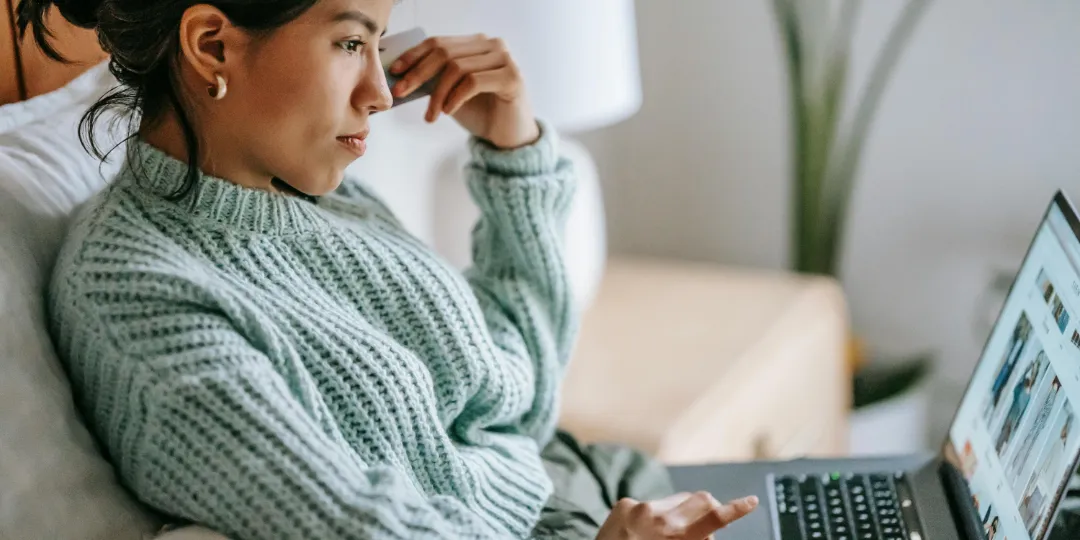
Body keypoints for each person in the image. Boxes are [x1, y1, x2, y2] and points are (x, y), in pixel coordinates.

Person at [20, 0, 759, 538]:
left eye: (378, 44)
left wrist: (515, 153)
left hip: (585, 486)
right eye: (349, 43)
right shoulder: (137, 296)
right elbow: (355, 524)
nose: (379, 93)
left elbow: (516, 402)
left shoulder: (309, 192)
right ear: (212, 44)